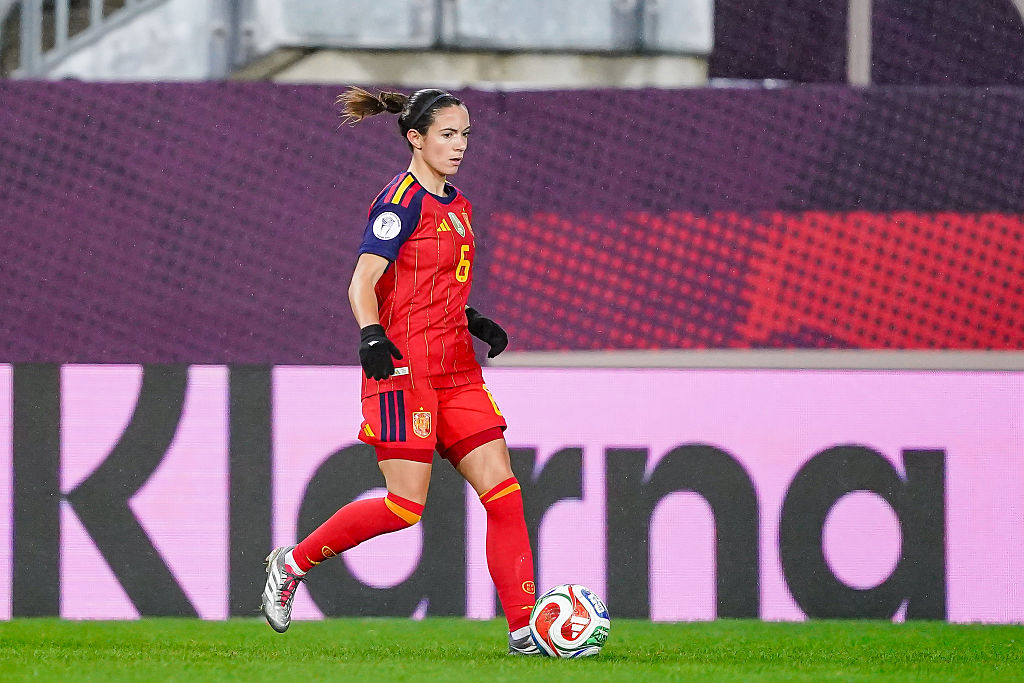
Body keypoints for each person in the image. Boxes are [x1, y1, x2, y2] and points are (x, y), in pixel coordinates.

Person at [260, 86, 539, 655]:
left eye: (465, 135)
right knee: (404, 507)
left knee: (505, 495)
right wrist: (370, 333)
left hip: (457, 370)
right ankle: (293, 565)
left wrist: (473, 319)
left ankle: (524, 633)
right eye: (447, 134)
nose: (459, 146)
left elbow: (429, 283)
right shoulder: (400, 202)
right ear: (416, 138)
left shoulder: (458, 206)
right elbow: (362, 282)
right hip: (403, 369)